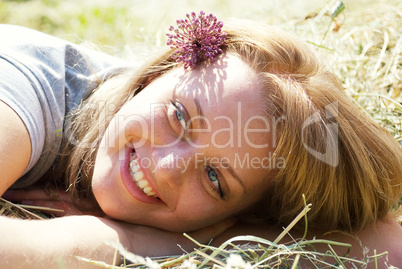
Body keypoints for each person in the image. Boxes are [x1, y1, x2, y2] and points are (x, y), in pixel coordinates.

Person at [0, 11, 401, 268]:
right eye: (178, 116)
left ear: (234, 217)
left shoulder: (227, 222)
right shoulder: (26, 85)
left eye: (214, 178)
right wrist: (117, 242)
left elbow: (390, 247)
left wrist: (202, 242)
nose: (167, 166)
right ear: (158, 74)